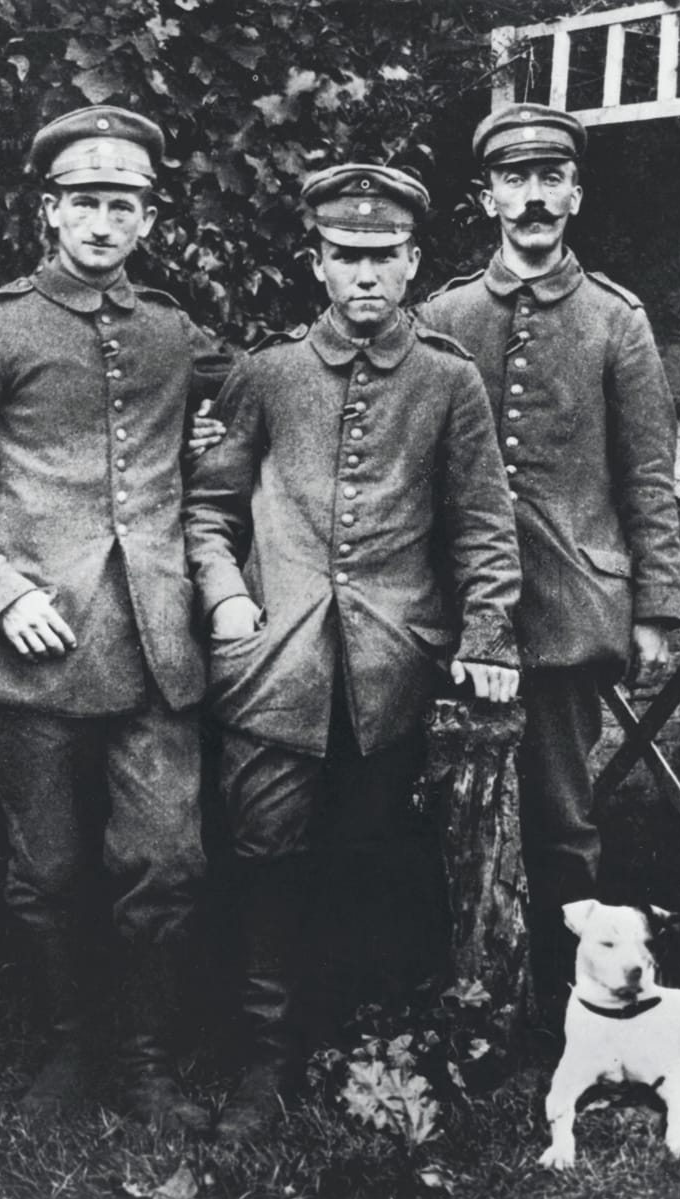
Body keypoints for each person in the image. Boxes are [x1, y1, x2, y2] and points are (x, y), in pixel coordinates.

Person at [182, 162, 522, 1141]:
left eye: (384, 257)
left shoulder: (449, 380)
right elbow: (208, 514)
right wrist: (228, 595)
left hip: (391, 670)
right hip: (272, 669)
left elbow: (483, 530)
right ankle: (262, 1066)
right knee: (264, 855)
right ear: (317, 263)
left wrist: (489, 633)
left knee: (368, 857)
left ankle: (348, 1046)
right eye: (347, 257)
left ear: (413, 261)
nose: (366, 275)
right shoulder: (266, 373)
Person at [0, 105, 228, 1126]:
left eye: (122, 203)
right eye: (84, 201)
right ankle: (66, 1054)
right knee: (45, 870)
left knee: (165, 859)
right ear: (50, 211)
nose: (103, 220)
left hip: (154, 643)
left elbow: (240, 417)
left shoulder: (172, 331)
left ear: (146, 219)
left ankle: (145, 1066)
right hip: (32, 649)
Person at [415, 103, 680, 1018]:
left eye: (549, 180)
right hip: (449, 608)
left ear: (574, 191)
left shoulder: (616, 320)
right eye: (514, 181)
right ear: (486, 195)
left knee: (559, 815)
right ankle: (456, 983)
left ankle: (560, 1006)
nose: (532, 199)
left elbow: (647, 475)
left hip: (569, 607)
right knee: (442, 796)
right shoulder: (441, 313)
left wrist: (654, 608)